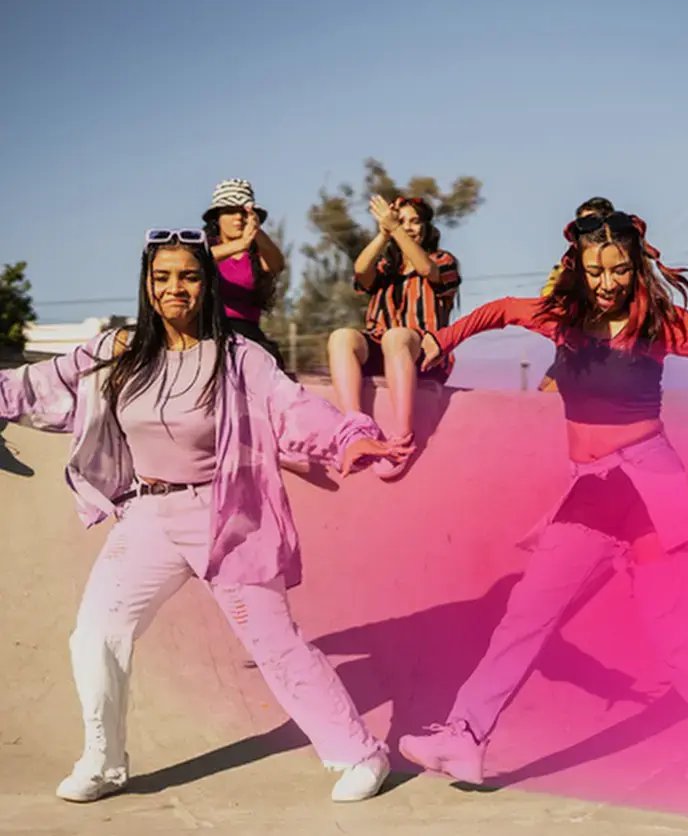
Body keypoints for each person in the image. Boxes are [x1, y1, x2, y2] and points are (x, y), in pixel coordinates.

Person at [0, 229, 406, 804]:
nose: (175, 288)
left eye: (188, 277)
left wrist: (348, 437)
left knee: (275, 642)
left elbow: (291, 407)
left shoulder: (239, 357)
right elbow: (40, 383)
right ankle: (104, 760)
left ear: (206, 284)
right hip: (147, 515)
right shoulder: (117, 351)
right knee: (94, 634)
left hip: (225, 515)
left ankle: (360, 753)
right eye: (163, 277)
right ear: (147, 283)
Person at [398, 209, 688, 784]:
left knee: (674, 631)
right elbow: (497, 310)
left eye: (618, 269)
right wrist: (440, 339)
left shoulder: (660, 323)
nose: (608, 282)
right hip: (591, 492)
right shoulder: (562, 320)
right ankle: (465, 737)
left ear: (635, 266)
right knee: (526, 617)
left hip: (650, 496)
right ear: (577, 269)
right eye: (596, 271)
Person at [327, 194, 461, 479]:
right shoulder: (387, 267)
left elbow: (427, 270)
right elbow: (361, 271)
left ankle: (402, 438)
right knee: (342, 337)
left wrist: (396, 229)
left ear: (426, 227)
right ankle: (356, 432)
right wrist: (383, 233)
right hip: (383, 346)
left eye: (415, 222)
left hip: (425, 352)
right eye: (402, 221)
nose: (408, 227)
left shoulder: (443, 260)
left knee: (396, 336)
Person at [203, 179, 288, 368]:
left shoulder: (257, 253)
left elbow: (277, 264)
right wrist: (239, 245)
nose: (238, 218)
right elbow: (196, 261)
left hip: (247, 333)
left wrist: (256, 233)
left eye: (244, 212)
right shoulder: (204, 248)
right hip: (207, 330)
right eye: (230, 211)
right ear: (217, 217)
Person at [537, 197, 615, 393]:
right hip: (571, 348)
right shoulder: (569, 263)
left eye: (592, 223)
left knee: (550, 397)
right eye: (582, 226)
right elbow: (548, 296)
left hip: (603, 353)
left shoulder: (622, 260)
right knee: (542, 390)